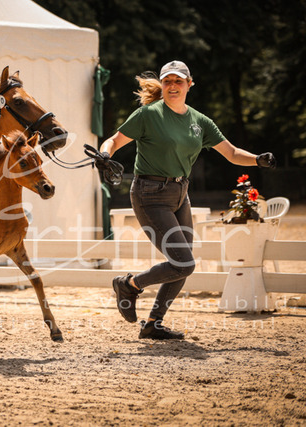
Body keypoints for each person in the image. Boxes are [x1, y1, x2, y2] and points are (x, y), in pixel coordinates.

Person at [98, 60, 276, 340]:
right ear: (162, 84)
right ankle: (129, 284)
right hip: (149, 194)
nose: (172, 86)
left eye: (178, 81)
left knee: (181, 264)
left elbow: (231, 153)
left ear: (189, 84)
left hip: (181, 193)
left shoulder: (200, 121)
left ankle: (153, 324)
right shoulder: (148, 115)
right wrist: (105, 154)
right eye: (167, 81)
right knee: (183, 263)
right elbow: (114, 140)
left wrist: (257, 159)